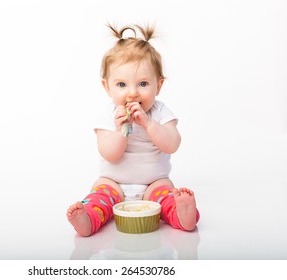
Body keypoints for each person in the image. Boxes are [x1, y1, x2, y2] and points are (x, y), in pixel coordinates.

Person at [67, 24, 199, 237]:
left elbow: (172, 143)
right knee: (99, 194)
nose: (132, 93)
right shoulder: (108, 115)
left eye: (143, 84)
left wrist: (148, 124)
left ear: (159, 85)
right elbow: (110, 154)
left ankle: (183, 215)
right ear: (107, 87)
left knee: (167, 196)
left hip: (153, 184)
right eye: (121, 85)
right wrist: (121, 131)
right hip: (114, 183)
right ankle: (87, 219)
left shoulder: (160, 112)